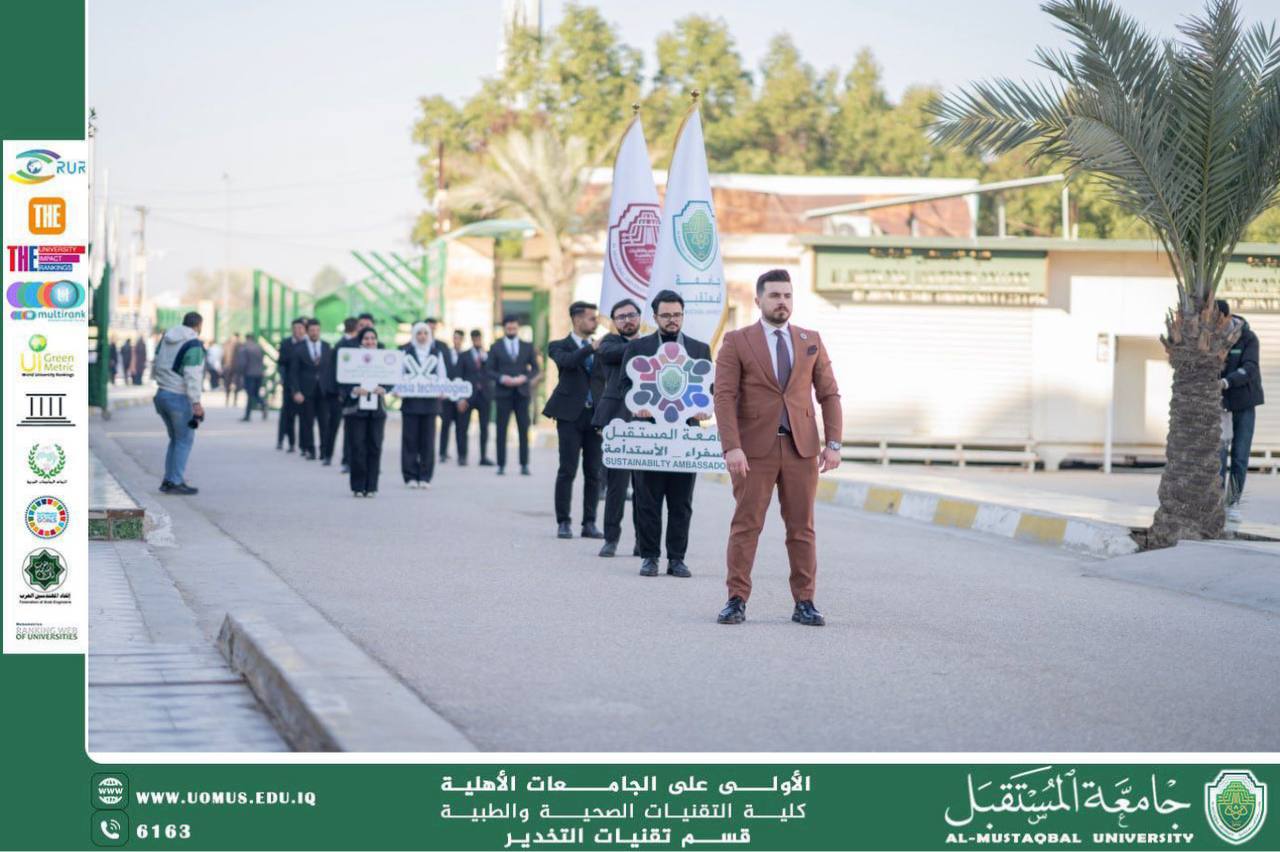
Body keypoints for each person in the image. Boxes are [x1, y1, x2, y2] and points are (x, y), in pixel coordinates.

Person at [713, 269, 843, 626]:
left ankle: (805, 602)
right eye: (774, 296)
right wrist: (731, 447)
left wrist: (833, 443)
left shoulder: (809, 339)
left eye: (787, 295)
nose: (782, 302)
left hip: (802, 450)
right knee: (746, 526)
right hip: (754, 451)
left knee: (802, 529)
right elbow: (724, 397)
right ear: (759, 301)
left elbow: (829, 394)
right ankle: (736, 599)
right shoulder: (737, 341)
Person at [617, 290, 712, 578]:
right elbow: (623, 387)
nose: (673, 320)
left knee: (681, 501)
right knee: (647, 499)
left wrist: (704, 409)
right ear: (655, 317)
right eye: (667, 315)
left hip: (685, 437)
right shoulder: (638, 349)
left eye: (678, 315)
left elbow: (709, 388)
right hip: (649, 437)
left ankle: (676, 559)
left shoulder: (699, 349)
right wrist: (638, 407)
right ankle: (649, 557)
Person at [543, 301, 606, 540]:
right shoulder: (558, 345)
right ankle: (563, 522)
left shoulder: (602, 346)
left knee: (594, 472)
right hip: (570, 416)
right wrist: (591, 348)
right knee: (567, 469)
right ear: (577, 319)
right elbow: (568, 362)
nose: (595, 322)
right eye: (591, 318)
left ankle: (589, 523)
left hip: (595, 416)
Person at [591, 298, 642, 557]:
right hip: (617, 419)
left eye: (631, 315)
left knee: (645, 487)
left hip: (647, 419)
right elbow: (609, 354)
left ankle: (642, 541)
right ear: (614, 322)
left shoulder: (652, 343)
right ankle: (611, 538)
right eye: (621, 317)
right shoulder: (609, 343)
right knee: (617, 486)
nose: (627, 320)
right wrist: (645, 345)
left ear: (640, 316)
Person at [1218, 299, 1265, 525]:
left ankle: (1232, 503)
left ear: (1227, 317)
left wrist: (1227, 381)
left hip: (1244, 403)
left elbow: (1250, 368)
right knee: (1217, 456)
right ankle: (1216, 502)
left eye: (1218, 321)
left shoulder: (1247, 337)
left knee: (1239, 456)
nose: (1214, 325)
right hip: (1220, 405)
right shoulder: (1210, 336)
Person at [151, 311, 206, 495]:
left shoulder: (166, 338)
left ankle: (169, 479)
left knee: (175, 439)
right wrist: (196, 402)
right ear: (198, 326)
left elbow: (156, 362)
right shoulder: (193, 343)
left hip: (162, 394)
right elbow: (192, 374)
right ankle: (175, 481)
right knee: (184, 440)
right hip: (179, 396)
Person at [340, 327, 393, 497]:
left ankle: (371, 487)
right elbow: (343, 380)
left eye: (373, 338)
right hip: (357, 410)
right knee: (357, 447)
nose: (370, 341)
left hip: (377, 411)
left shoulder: (383, 358)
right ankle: (357, 486)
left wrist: (383, 389)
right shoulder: (352, 358)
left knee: (375, 447)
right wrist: (354, 389)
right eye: (366, 338)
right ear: (361, 341)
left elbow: (392, 378)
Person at [399, 321, 450, 488]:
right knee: (410, 440)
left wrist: (443, 390)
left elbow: (442, 375)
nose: (422, 336)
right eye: (419, 333)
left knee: (428, 441)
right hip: (411, 403)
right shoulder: (406, 352)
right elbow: (399, 375)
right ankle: (410, 476)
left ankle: (425, 477)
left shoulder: (436, 353)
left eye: (425, 333)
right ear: (414, 335)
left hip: (430, 404)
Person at [488, 315, 540, 476]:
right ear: (504, 328)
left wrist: (524, 377)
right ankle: (501, 464)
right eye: (509, 328)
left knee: (524, 430)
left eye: (514, 328)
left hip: (522, 393)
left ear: (518, 328)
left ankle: (524, 464)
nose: (511, 330)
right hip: (503, 393)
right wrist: (503, 378)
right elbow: (489, 370)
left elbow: (536, 369)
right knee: (501, 430)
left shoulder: (527, 346)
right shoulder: (495, 347)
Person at [289, 319, 330, 461]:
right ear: (307, 331)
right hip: (306, 391)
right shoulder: (299, 348)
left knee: (324, 423)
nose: (315, 333)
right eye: (312, 330)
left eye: (317, 330)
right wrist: (296, 391)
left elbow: (330, 370)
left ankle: (325, 451)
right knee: (307, 422)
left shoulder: (326, 346)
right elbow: (293, 372)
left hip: (323, 391)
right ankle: (310, 449)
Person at [457, 329, 494, 466]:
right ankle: (462, 456)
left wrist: (486, 360)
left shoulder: (488, 355)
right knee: (463, 427)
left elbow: (491, 372)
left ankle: (483, 457)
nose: (477, 341)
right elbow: (458, 376)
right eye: (475, 338)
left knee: (484, 427)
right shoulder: (464, 356)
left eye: (479, 338)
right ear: (472, 339)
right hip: (467, 396)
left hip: (484, 396)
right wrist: (460, 398)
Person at [331, 317, 362, 471]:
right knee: (349, 428)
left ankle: (352, 460)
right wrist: (340, 391)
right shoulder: (341, 346)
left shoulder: (359, 344)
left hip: (361, 391)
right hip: (348, 392)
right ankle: (347, 460)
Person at [276, 318, 306, 452]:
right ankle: (287, 441)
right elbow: (281, 363)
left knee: (305, 416)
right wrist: (283, 378)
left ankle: (304, 444)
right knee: (287, 415)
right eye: (295, 328)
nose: (298, 331)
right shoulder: (286, 343)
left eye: (301, 328)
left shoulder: (308, 344)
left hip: (305, 386)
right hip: (289, 385)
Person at [439, 329, 467, 463]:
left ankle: (462, 455)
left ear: (462, 340)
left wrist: (464, 397)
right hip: (447, 396)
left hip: (461, 397)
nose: (456, 340)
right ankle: (442, 453)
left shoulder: (466, 356)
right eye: (454, 338)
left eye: (459, 338)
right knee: (445, 425)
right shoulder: (444, 354)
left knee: (461, 427)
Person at [235, 334, 266, 421]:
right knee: (256, 394)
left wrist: (240, 374)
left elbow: (242, 364)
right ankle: (263, 404)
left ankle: (247, 415)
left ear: (247, 339)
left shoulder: (244, 349)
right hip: (259, 374)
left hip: (249, 374)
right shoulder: (259, 348)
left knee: (249, 395)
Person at [223, 332, 241, 406]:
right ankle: (227, 399)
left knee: (236, 384)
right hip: (228, 366)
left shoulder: (240, 345)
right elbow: (223, 356)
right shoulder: (227, 345)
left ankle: (234, 400)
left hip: (236, 367)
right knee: (227, 383)